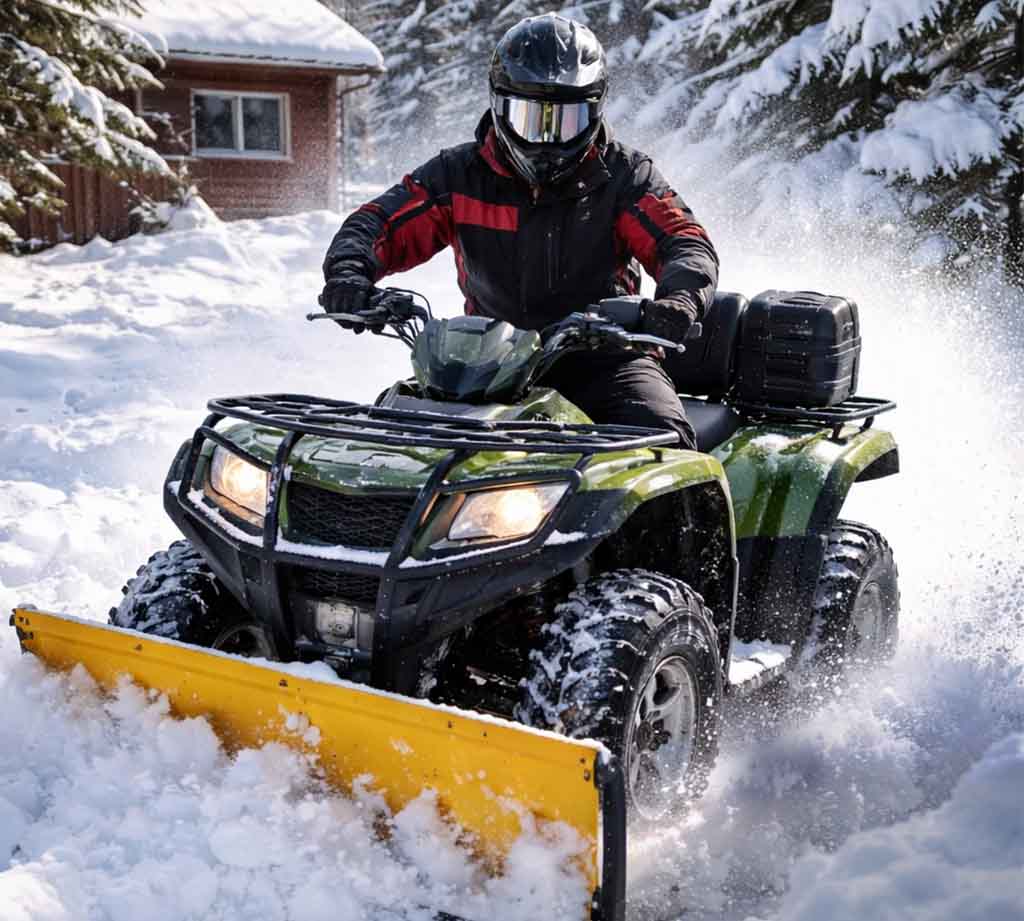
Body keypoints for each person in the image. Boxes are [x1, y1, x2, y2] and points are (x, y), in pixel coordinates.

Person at [321, 13, 718, 449]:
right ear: (498, 106)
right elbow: (378, 222)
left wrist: (678, 302)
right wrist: (349, 274)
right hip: (486, 364)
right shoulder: (458, 175)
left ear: (595, 111)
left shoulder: (624, 176)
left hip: (605, 359)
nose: (546, 140)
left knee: (661, 443)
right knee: (388, 446)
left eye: (564, 121)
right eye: (530, 118)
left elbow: (684, 241)